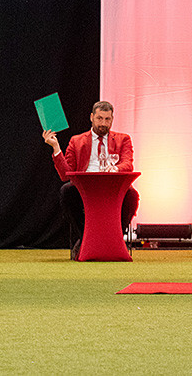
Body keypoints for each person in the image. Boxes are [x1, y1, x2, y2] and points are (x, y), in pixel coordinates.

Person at [42, 101, 139, 260]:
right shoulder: (76, 141)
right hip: (85, 190)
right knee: (67, 191)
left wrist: (115, 169)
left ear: (112, 119)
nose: (103, 123)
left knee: (132, 195)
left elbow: (128, 164)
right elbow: (66, 175)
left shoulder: (123, 139)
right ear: (91, 117)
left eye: (107, 119)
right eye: (99, 118)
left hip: (112, 189)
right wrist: (56, 148)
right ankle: (85, 238)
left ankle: (115, 239)